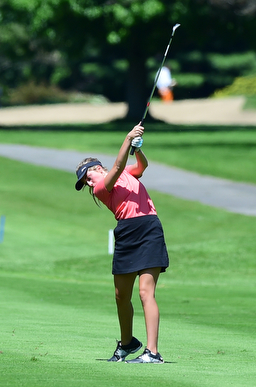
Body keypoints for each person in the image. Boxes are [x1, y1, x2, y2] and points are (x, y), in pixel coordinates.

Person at [74, 124, 169, 363]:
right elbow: (116, 167)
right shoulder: (100, 188)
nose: (88, 182)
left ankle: (152, 352)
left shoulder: (126, 172)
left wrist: (137, 149)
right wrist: (128, 138)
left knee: (146, 292)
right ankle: (127, 344)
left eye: (88, 176)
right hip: (127, 232)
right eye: (85, 181)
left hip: (148, 228)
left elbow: (142, 166)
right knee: (121, 295)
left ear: (96, 168)